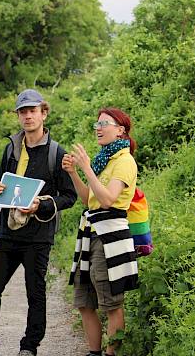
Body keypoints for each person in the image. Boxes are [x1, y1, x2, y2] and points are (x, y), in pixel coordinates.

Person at [0, 89, 77, 356]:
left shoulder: (57, 153)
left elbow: (69, 196)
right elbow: (4, 185)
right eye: (22, 111)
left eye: (32, 110)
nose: (27, 116)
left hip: (38, 236)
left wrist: (43, 205)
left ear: (43, 113)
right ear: (18, 116)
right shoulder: (11, 148)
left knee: (35, 294)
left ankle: (29, 348)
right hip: (8, 232)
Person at [62, 107, 139, 356]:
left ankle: (111, 354)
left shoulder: (125, 161)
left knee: (111, 304)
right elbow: (89, 199)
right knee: (85, 302)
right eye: (97, 124)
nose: (99, 128)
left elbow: (108, 200)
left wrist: (86, 169)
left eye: (104, 123)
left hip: (110, 238)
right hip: (91, 234)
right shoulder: (104, 159)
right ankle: (94, 352)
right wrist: (74, 172)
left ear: (120, 130)